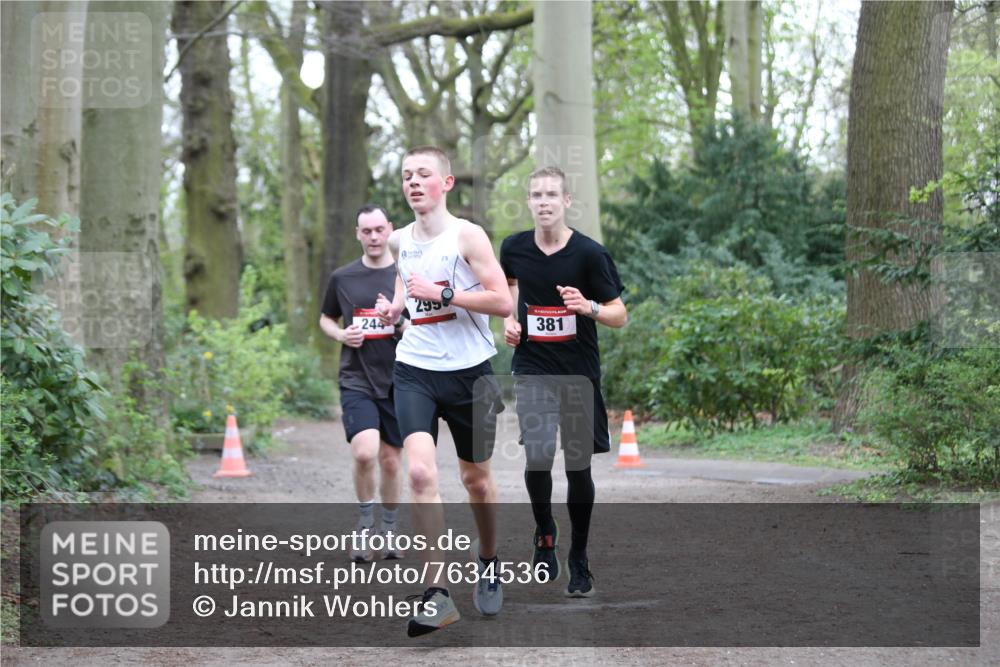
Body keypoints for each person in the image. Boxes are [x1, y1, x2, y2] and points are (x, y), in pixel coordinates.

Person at [375, 145, 513, 637]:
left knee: (476, 480)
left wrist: (445, 294)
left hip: (469, 372)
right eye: (407, 175)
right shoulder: (397, 240)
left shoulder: (467, 235)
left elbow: (501, 299)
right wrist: (397, 309)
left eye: (423, 175)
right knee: (418, 471)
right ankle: (436, 593)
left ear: (446, 183)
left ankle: (490, 558)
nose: (413, 182)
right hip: (414, 367)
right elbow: (403, 280)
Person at [500, 166, 627, 598]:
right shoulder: (513, 248)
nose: (544, 201)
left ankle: (579, 557)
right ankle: (545, 532)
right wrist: (510, 323)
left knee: (577, 467)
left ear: (567, 201)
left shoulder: (590, 254)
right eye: (536, 195)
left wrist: (587, 306)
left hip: (578, 373)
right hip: (532, 367)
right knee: (537, 456)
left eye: (551, 194)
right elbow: (508, 293)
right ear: (529, 202)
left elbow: (619, 315)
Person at [320, 204, 405, 562]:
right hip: (356, 378)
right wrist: (341, 334)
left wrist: (397, 321)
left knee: (390, 460)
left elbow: (422, 325)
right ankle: (365, 524)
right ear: (358, 234)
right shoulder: (343, 277)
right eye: (366, 231)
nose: (373, 237)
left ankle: (389, 530)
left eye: (379, 230)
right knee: (365, 452)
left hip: (400, 379)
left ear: (390, 229)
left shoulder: (405, 274)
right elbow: (325, 318)